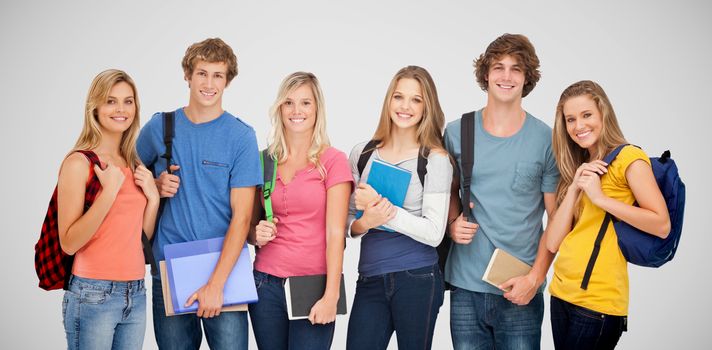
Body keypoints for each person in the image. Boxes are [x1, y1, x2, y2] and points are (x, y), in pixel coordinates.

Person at [136, 38, 261, 350]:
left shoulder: (241, 137)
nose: (209, 83)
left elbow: (242, 216)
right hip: (170, 266)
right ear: (187, 75)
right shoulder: (160, 127)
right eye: (202, 73)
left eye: (218, 75)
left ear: (228, 81)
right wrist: (155, 181)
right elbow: (126, 176)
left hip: (225, 269)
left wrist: (215, 285)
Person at [443, 33, 559, 349]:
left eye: (516, 69)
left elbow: (557, 220)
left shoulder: (546, 140)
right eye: (498, 67)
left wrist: (535, 279)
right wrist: (453, 223)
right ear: (486, 73)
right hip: (466, 286)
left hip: (521, 287)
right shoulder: (457, 132)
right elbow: (447, 191)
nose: (506, 76)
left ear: (527, 78)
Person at [546, 80, 670, 349]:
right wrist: (576, 186)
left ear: (603, 113)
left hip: (597, 304)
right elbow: (553, 243)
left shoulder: (629, 158)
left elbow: (661, 224)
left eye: (586, 115)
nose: (578, 126)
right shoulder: (581, 167)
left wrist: (600, 198)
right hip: (560, 294)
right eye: (570, 119)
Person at [345, 65, 451, 350]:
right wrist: (365, 222)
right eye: (398, 97)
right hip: (370, 276)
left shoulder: (435, 159)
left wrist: (381, 210)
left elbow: (433, 233)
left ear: (427, 106)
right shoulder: (362, 154)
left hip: (418, 278)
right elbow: (347, 225)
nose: (405, 106)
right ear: (388, 101)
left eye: (416, 99)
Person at [247, 71, 352, 349]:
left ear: (317, 108)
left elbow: (335, 233)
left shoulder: (333, 161)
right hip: (265, 284)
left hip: (312, 286)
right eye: (289, 102)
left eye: (305, 103)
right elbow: (247, 227)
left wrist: (331, 296)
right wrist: (255, 234)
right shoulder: (264, 161)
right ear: (279, 108)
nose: (296, 111)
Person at [58, 69, 159, 349]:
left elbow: (138, 239)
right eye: (111, 101)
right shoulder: (80, 163)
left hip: (135, 292)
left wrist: (153, 198)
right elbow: (68, 242)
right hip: (92, 293)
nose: (121, 109)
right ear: (96, 108)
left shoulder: (134, 163)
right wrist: (109, 192)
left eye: (128, 101)